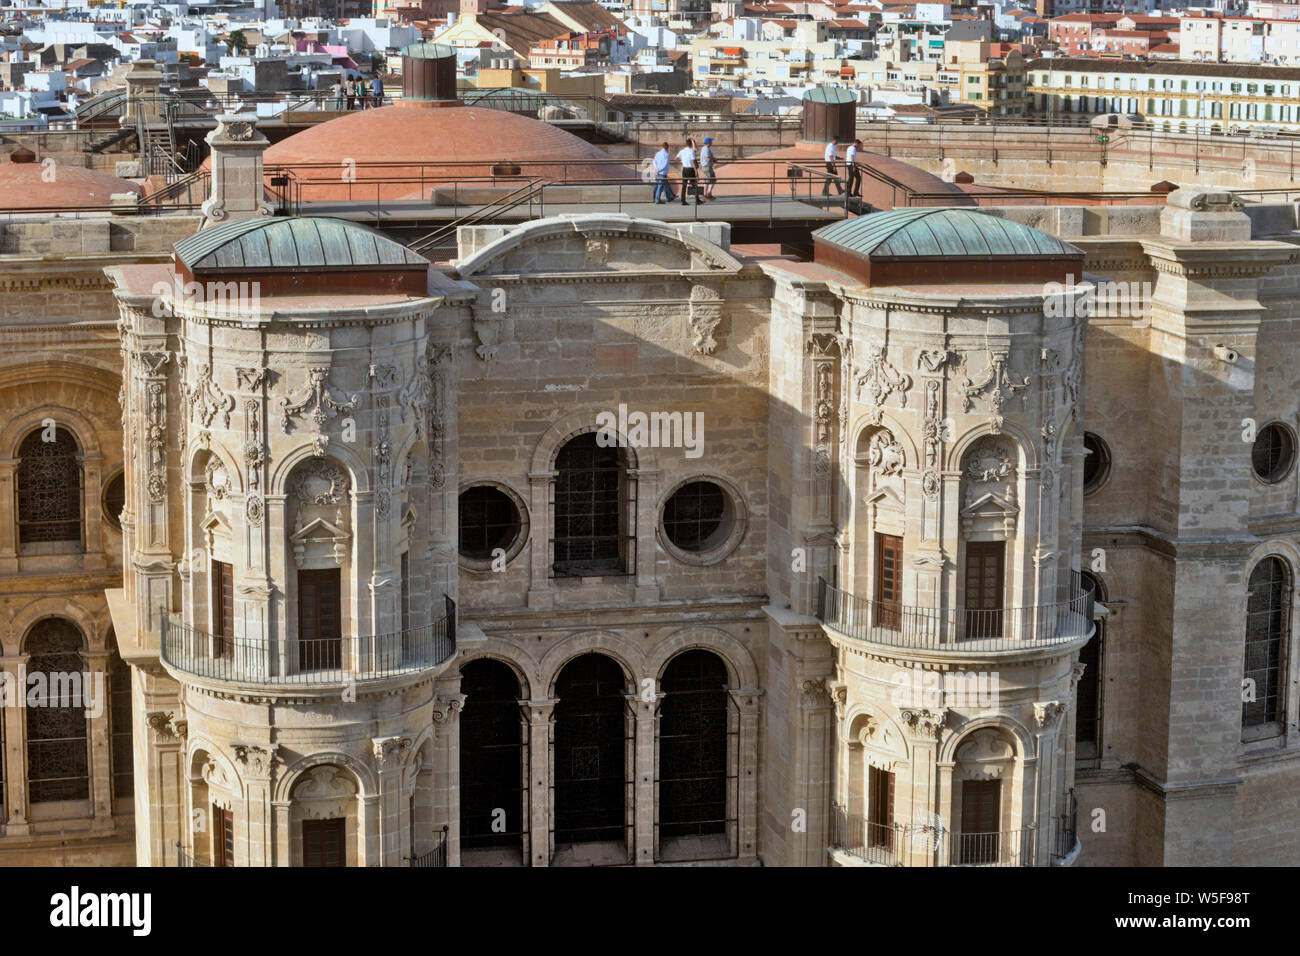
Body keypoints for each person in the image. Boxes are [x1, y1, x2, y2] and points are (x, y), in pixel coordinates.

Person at [677, 138, 699, 206]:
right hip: (690, 169)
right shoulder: (691, 151)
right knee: (694, 184)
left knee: (684, 185)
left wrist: (682, 162)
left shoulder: (682, 151)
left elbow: (676, 158)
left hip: (685, 169)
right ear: (691, 144)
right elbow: (693, 162)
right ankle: (697, 200)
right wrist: (696, 171)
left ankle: (683, 200)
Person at [699, 135, 717, 200]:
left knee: (709, 180)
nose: (712, 142)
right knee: (710, 180)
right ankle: (707, 194)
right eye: (711, 141)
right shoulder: (706, 149)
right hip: (707, 167)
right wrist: (714, 159)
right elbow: (708, 159)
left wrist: (713, 159)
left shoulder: (705, 148)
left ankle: (707, 194)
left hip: (707, 166)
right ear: (708, 142)